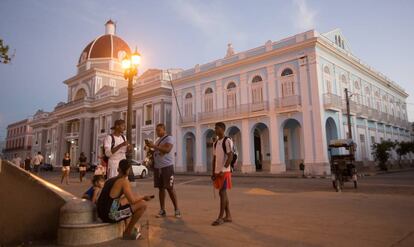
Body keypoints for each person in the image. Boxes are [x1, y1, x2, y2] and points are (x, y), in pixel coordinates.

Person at [97, 159, 152, 240]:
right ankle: (128, 232)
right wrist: (144, 197)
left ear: (118, 169)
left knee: (126, 200)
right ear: (128, 170)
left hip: (101, 213)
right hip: (110, 216)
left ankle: (127, 226)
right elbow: (132, 201)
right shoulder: (124, 182)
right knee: (143, 205)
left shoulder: (110, 180)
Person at [146, 123, 181, 218]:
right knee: (161, 189)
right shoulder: (157, 140)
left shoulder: (169, 138)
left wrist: (154, 146)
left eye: (159, 130)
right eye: (156, 130)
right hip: (158, 168)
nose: (157, 132)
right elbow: (156, 151)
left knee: (170, 188)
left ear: (164, 130)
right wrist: (150, 150)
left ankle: (177, 210)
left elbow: (167, 149)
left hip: (167, 167)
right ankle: (162, 210)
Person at [211, 122, 233, 226]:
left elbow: (230, 156)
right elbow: (214, 158)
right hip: (217, 172)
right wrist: (213, 172)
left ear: (222, 129)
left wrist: (223, 170)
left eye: (217, 128)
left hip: (224, 172)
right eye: (215, 128)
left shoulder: (227, 140)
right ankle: (228, 216)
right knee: (222, 193)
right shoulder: (215, 143)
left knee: (222, 192)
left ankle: (220, 217)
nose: (215, 130)